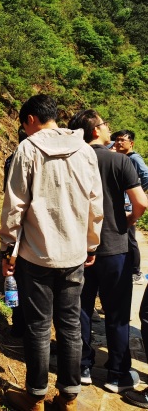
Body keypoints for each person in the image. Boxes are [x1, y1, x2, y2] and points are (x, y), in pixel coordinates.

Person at [0, 95, 104, 411]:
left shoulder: (27, 149)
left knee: (38, 326)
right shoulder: (85, 151)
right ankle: (68, 398)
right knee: (70, 325)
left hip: (36, 255)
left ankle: (34, 397)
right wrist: (91, 243)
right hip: (74, 254)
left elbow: (15, 205)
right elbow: (95, 202)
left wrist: (8, 248)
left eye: (24, 123)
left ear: (31, 119)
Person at [68, 111, 148, 394]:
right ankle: (117, 374)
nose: (108, 129)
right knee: (116, 313)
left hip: (78, 248)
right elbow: (140, 203)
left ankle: (82, 367)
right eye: (104, 125)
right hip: (114, 247)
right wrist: (127, 221)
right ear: (94, 131)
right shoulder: (119, 161)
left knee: (81, 310)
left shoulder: (70, 160)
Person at [112, 130, 148, 284]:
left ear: (131, 143)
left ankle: (136, 273)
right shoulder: (120, 157)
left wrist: (135, 194)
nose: (119, 143)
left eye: (123, 140)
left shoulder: (134, 158)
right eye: (117, 140)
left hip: (128, 206)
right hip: (122, 204)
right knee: (125, 239)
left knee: (130, 239)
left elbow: (146, 176)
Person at [3, 126, 27, 338]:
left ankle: (18, 324)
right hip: (32, 230)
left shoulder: (12, 159)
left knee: (17, 278)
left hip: (17, 227)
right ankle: (24, 326)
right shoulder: (29, 159)